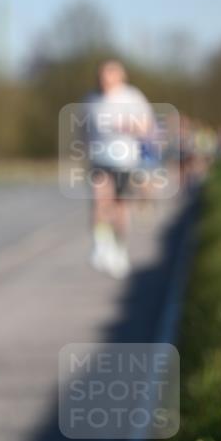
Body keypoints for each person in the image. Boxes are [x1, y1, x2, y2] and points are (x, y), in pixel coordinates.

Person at [82, 60, 154, 278]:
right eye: (102, 76)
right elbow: (82, 129)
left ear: (120, 77)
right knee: (100, 199)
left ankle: (120, 249)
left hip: (125, 159)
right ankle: (101, 244)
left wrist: (127, 125)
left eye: (109, 76)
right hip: (99, 157)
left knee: (120, 207)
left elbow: (147, 127)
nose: (105, 80)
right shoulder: (90, 99)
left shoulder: (132, 97)